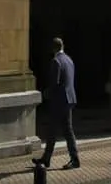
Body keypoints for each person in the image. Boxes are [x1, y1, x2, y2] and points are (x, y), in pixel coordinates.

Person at [32, 36, 80, 170]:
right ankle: (50, 158)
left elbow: (54, 83)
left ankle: (71, 159)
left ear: (53, 48)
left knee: (55, 130)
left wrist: (46, 94)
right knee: (64, 130)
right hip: (69, 99)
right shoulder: (69, 60)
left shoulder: (56, 61)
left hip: (59, 101)